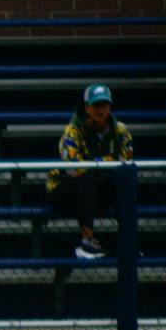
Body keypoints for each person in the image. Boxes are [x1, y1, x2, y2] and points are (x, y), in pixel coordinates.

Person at [45, 84, 135, 260]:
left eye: (104, 105)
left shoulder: (121, 131)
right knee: (89, 178)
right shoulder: (72, 131)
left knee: (123, 182)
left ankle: (129, 242)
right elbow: (74, 169)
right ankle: (87, 242)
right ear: (86, 107)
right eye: (96, 105)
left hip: (99, 188)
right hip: (64, 188)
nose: (100, 110)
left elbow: (126, 164)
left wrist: (99, 165)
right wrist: (106, 161)